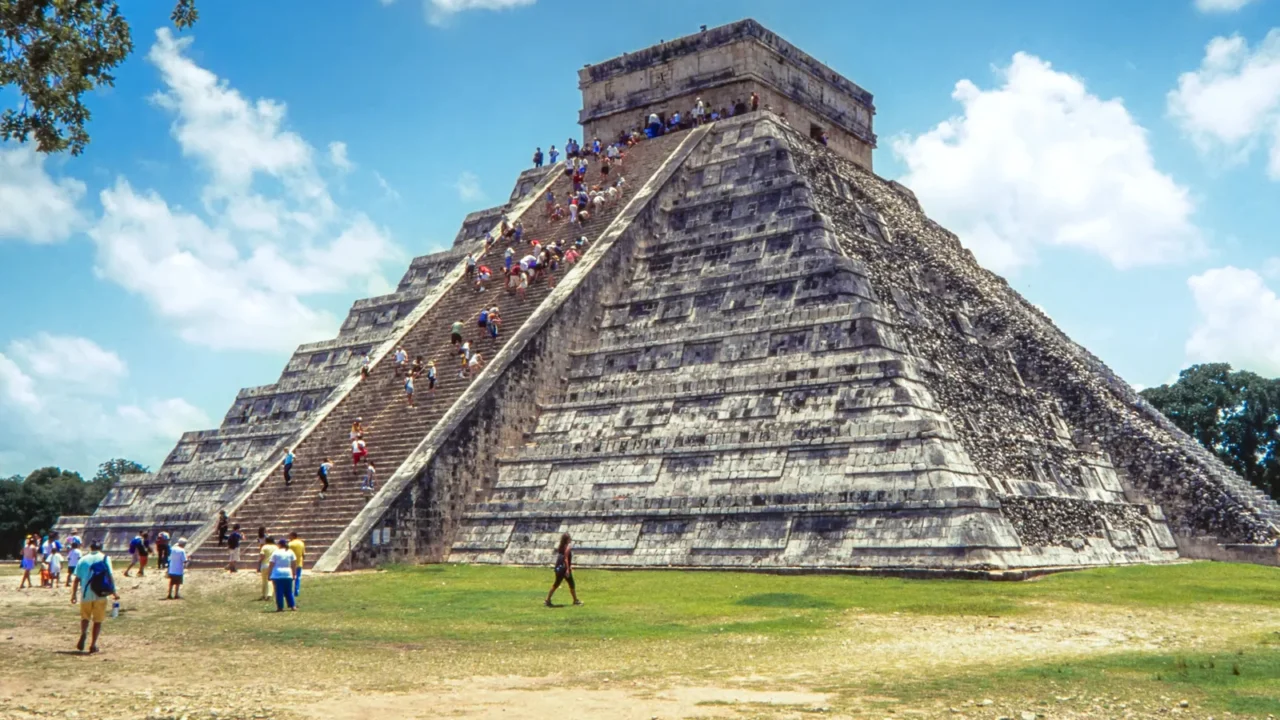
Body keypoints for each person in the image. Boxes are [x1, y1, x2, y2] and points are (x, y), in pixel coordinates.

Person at [71, 540, 118, 654]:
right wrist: (114, 592)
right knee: (98, 620)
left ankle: (83, 633)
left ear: (90, 548)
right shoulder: (105, 558)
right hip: (100, 594)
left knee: (85, 617)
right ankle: (93, 645)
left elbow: (76, 579)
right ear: (100, 547)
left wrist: (73, 595)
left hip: (86, 594)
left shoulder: (82, 559)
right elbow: (110, 576)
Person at [544, 533, 582, 607]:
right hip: (564, 569)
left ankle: (548, 599)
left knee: (558, 584)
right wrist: (568, 569)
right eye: (569, 538)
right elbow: (566, 559)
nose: (570, 539)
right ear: (567, 540)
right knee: (570, 584)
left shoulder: (561, 547)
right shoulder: (567, 547)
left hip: (559, 568)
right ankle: (575, 600)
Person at [268, 538, 298, 612]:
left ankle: (280, 607)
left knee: (279, 591)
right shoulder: (290, 552)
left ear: (279, 545)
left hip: (277, 574)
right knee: (289, 591)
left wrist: (269, 574)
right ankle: (292, 605)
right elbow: (294, 564)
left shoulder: (276, 553)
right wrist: (294, 573)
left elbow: (271, 564)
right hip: (288, 573)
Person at [287, 532, 305, 599]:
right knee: (298, 578)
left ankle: (291, 591)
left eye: (290, 536)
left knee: (291, 577)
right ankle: (296, 591)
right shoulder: (301, 543)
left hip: (291, 563)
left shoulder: (290, 544)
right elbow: (303, 554)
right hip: (299, 562)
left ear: (292, 536)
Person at [258, 536, 276, 601]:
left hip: (264, 565)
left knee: (264, 580)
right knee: (270, 580)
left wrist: (259, 562)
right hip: (273, 565)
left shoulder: (264, 547)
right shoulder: (276, 547)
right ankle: (269, 594)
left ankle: (263, 594)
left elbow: (262, 556)